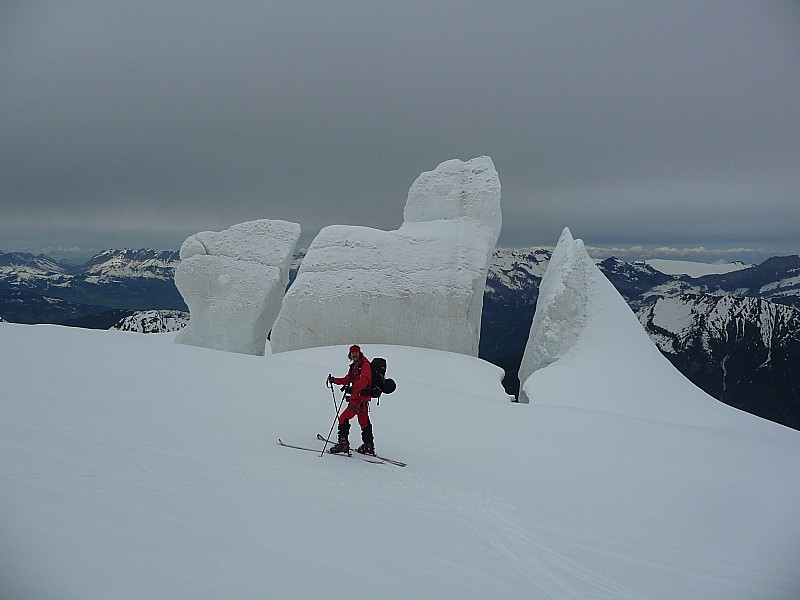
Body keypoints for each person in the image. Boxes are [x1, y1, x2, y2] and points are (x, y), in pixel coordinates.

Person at [327, 344, 375, 455]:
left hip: (359, 399)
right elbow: (347, 379)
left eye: (356, 352)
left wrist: (353, 388)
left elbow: (365, 380)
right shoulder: (355, 366)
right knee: (364, 422)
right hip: (361, 399)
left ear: (359, 353)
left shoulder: (365, 365)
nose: (354, 354)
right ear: (350, 354)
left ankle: (343, 444)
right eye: (352, 353)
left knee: (343, 418)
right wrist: (334, 380)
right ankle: (368, 445)